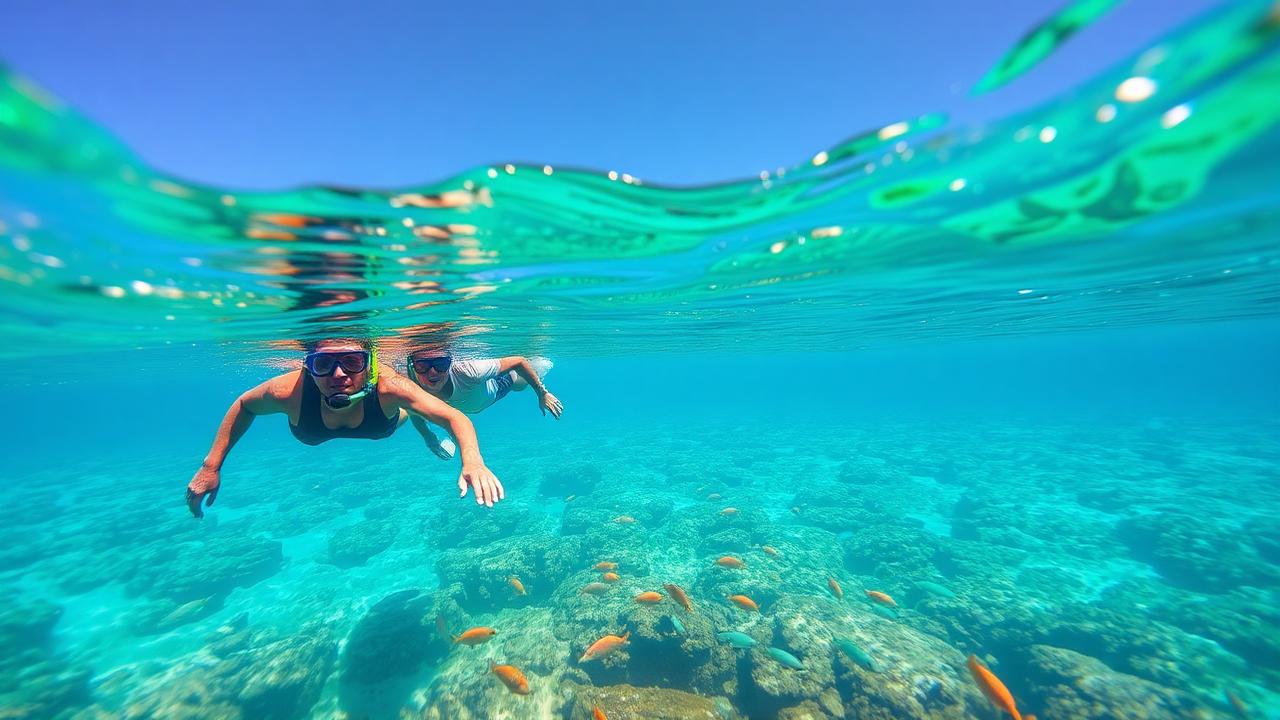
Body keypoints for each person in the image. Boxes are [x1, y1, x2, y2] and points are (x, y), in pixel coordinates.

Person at [184, 338, 505, 517]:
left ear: (369, 365)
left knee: (410, 408)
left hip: (386, 419)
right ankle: (423, 425)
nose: (338, 374)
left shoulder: (390, 387)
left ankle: (424, 427)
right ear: (309, 366)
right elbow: (245, 404)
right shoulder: (290, 391)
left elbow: (455, 417)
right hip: (372, 418)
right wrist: (211, 466)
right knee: (411, 404)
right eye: (323, 364)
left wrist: (473, 461)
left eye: (352, 362)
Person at [405, 349, 563, 460]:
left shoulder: (468, 371)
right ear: (413, 366)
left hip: (495, 388)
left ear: (450, 363)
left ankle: (537, 366)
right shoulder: (410, 385)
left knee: (519, 383)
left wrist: (542, 393)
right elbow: (413, 410)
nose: (432, 372)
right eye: (422, 366)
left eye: (441, 364)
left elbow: (519, 361)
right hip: (474, 398)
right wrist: (429, 437)